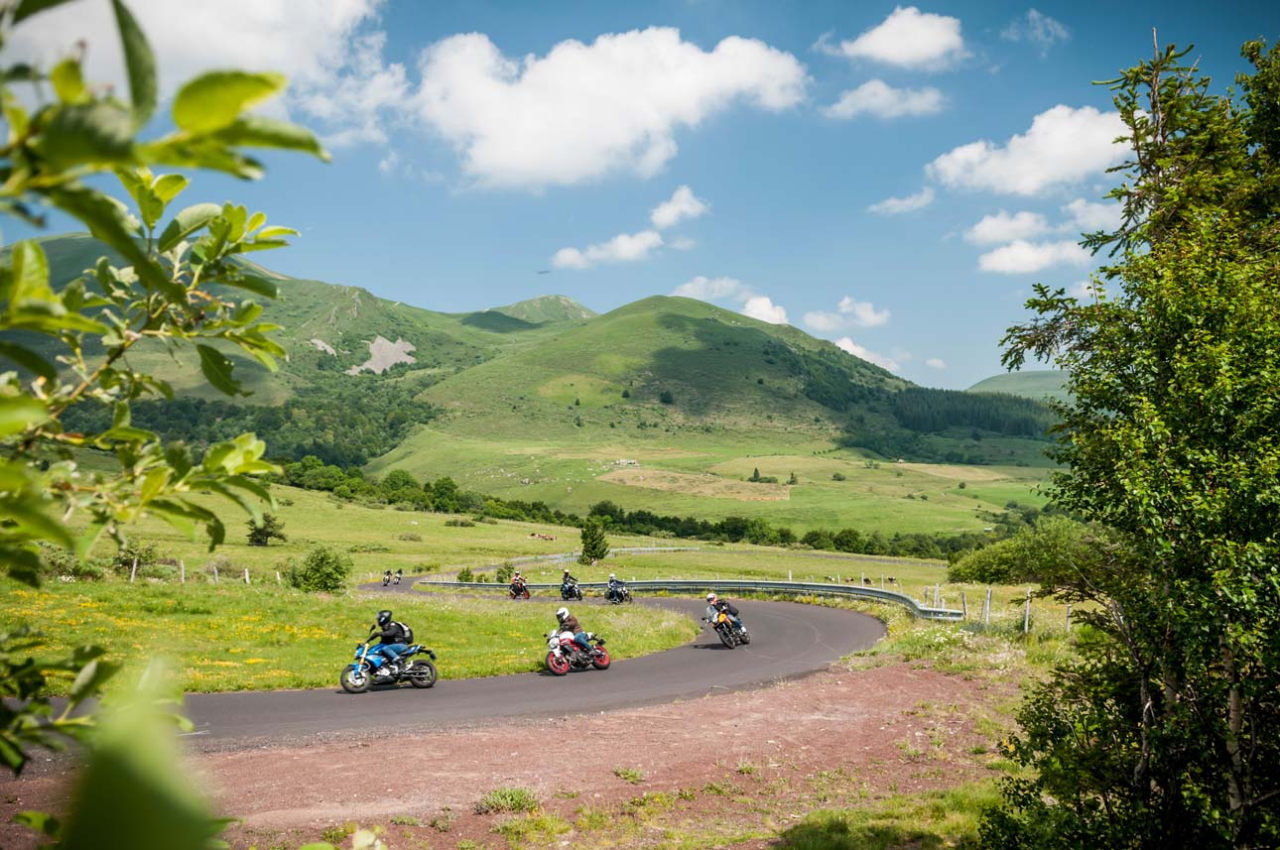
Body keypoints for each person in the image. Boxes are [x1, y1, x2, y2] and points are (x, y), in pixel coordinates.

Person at [368, 609, 413, 673]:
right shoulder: (385, 628)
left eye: (379, 618)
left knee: (386, 648)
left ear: (383, 618)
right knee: (380, 649)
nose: (378, 620)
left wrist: (378, 634)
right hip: (394, 645)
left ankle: (400, 663)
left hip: (401, 645)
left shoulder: (392, 625)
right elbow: (383, 642)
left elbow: (391, 633)